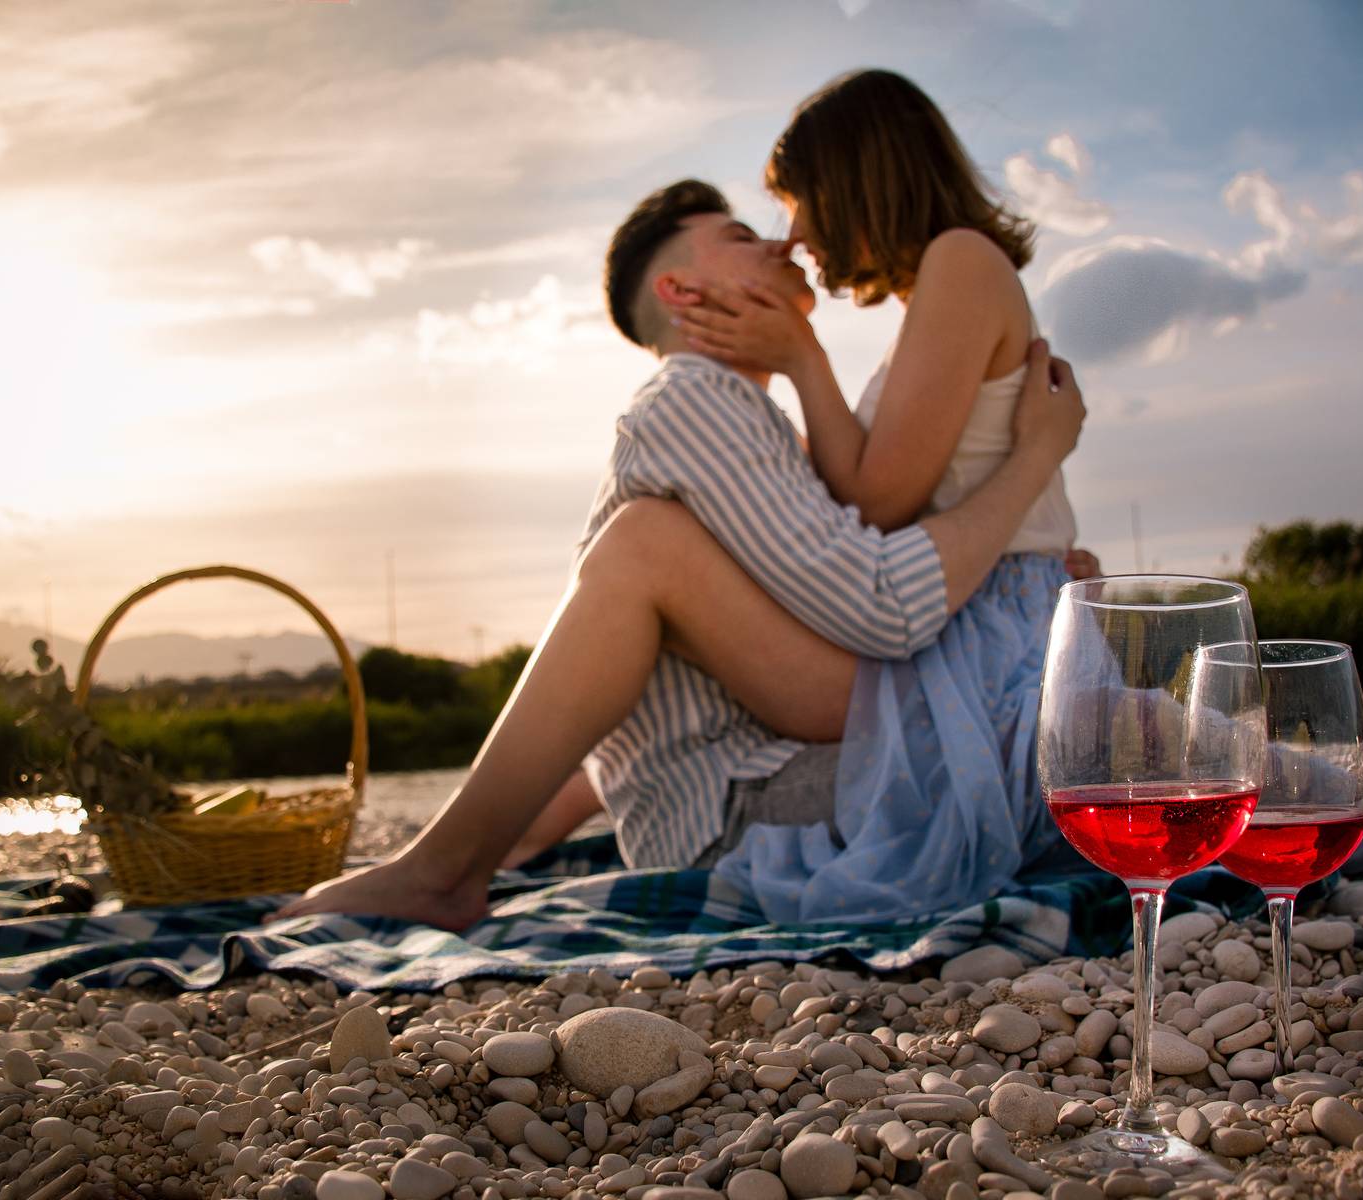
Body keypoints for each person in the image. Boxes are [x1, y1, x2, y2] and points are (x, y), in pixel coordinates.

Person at [273, 178, 1088, 929]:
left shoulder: (754, 428)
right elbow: (884, 606)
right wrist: (1032, 461)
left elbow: (858, 589)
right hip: (744, 806)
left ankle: (448, 863)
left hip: (783, 772)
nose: (779, 243)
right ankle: (441, 869)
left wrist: (1028, 577)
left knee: (1096, 735)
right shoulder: (696, 401)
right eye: (739, 237)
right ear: (682, 292)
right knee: (643, 545)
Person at [667, 68, 1085, 919]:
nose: (794, 236)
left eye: (800, 202)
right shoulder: (938, 289)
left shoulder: (961, 261)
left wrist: (802, 357)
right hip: (972, 610)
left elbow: (880, 502)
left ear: (860, 180)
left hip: (992, 625)